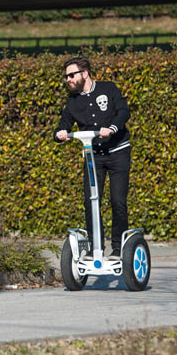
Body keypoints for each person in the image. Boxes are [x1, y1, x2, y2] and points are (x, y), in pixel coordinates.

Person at [53, 57, 131, 258]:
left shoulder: (108, 89)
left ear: (85, 73)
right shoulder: (73, 102)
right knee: (91, 201)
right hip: (93, 156)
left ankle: (118, 248)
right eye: (66, 77)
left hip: (118, 152)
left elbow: (123, 111)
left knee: (117, 201)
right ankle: (96, 248)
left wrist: (112, 128)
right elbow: (64, 124)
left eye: (72, 75)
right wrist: (60, 133)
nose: (68, 79)